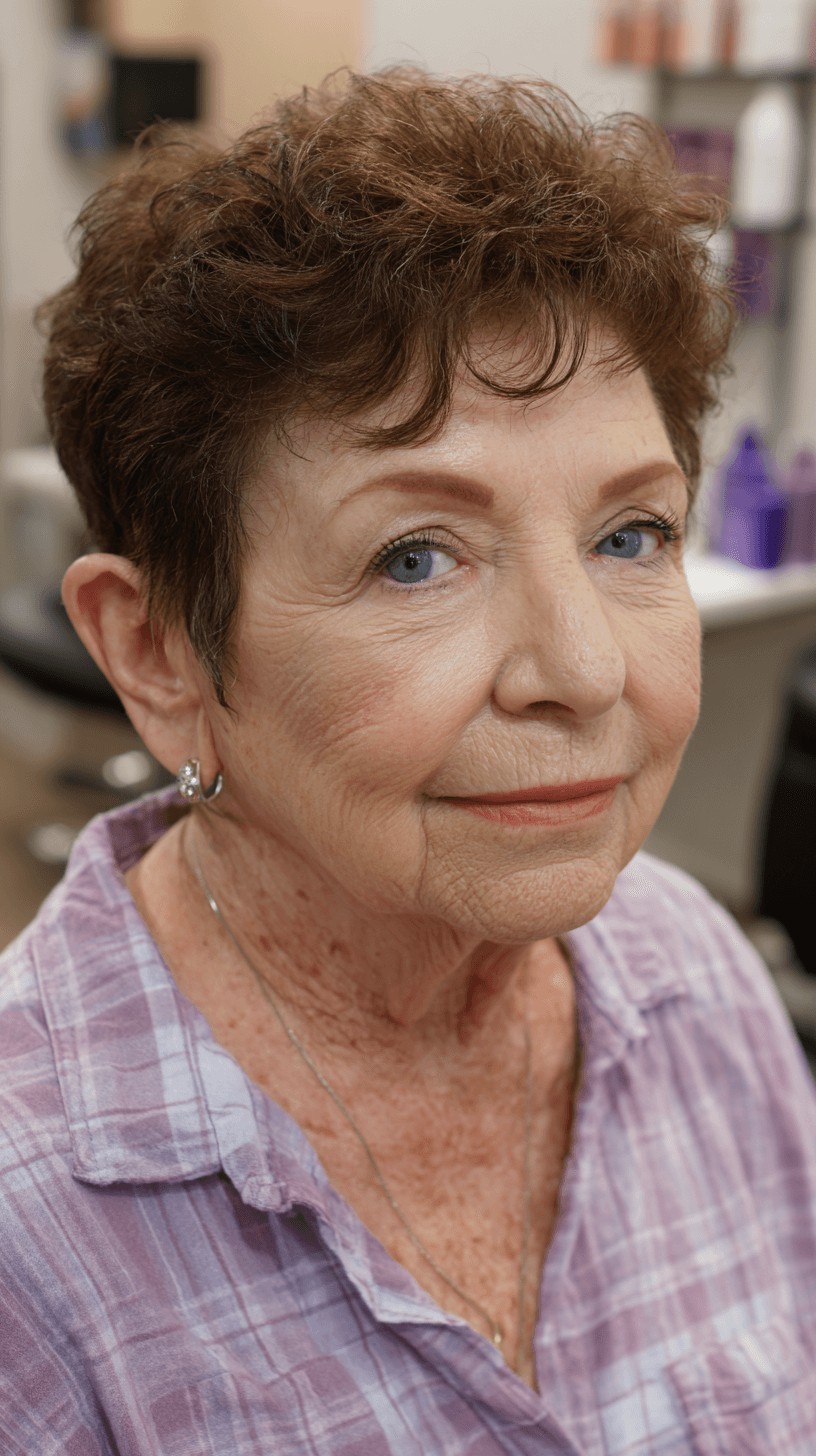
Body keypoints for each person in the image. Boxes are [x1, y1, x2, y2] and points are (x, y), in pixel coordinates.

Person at [2, 65, 815, 1455]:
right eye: (416, 558)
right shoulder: (37, 1226)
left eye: (631, 535)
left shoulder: (695, 979)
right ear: (157, 653)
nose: (585, 671)